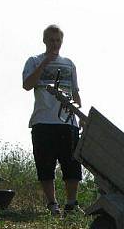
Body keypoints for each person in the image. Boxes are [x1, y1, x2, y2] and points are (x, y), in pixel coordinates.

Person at [22, 24, 83, 216]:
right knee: (45, 164)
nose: (54, 44)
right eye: (51, 40)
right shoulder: (33, 61)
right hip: (43, 121)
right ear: (44, 41)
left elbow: (75, 92)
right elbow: (27, 85)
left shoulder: (69, 64)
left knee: (72, 163)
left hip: (67, 122)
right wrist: (44, 63)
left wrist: (79, 114)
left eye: (58, 40)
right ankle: (52, 204)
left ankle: (71, 204)